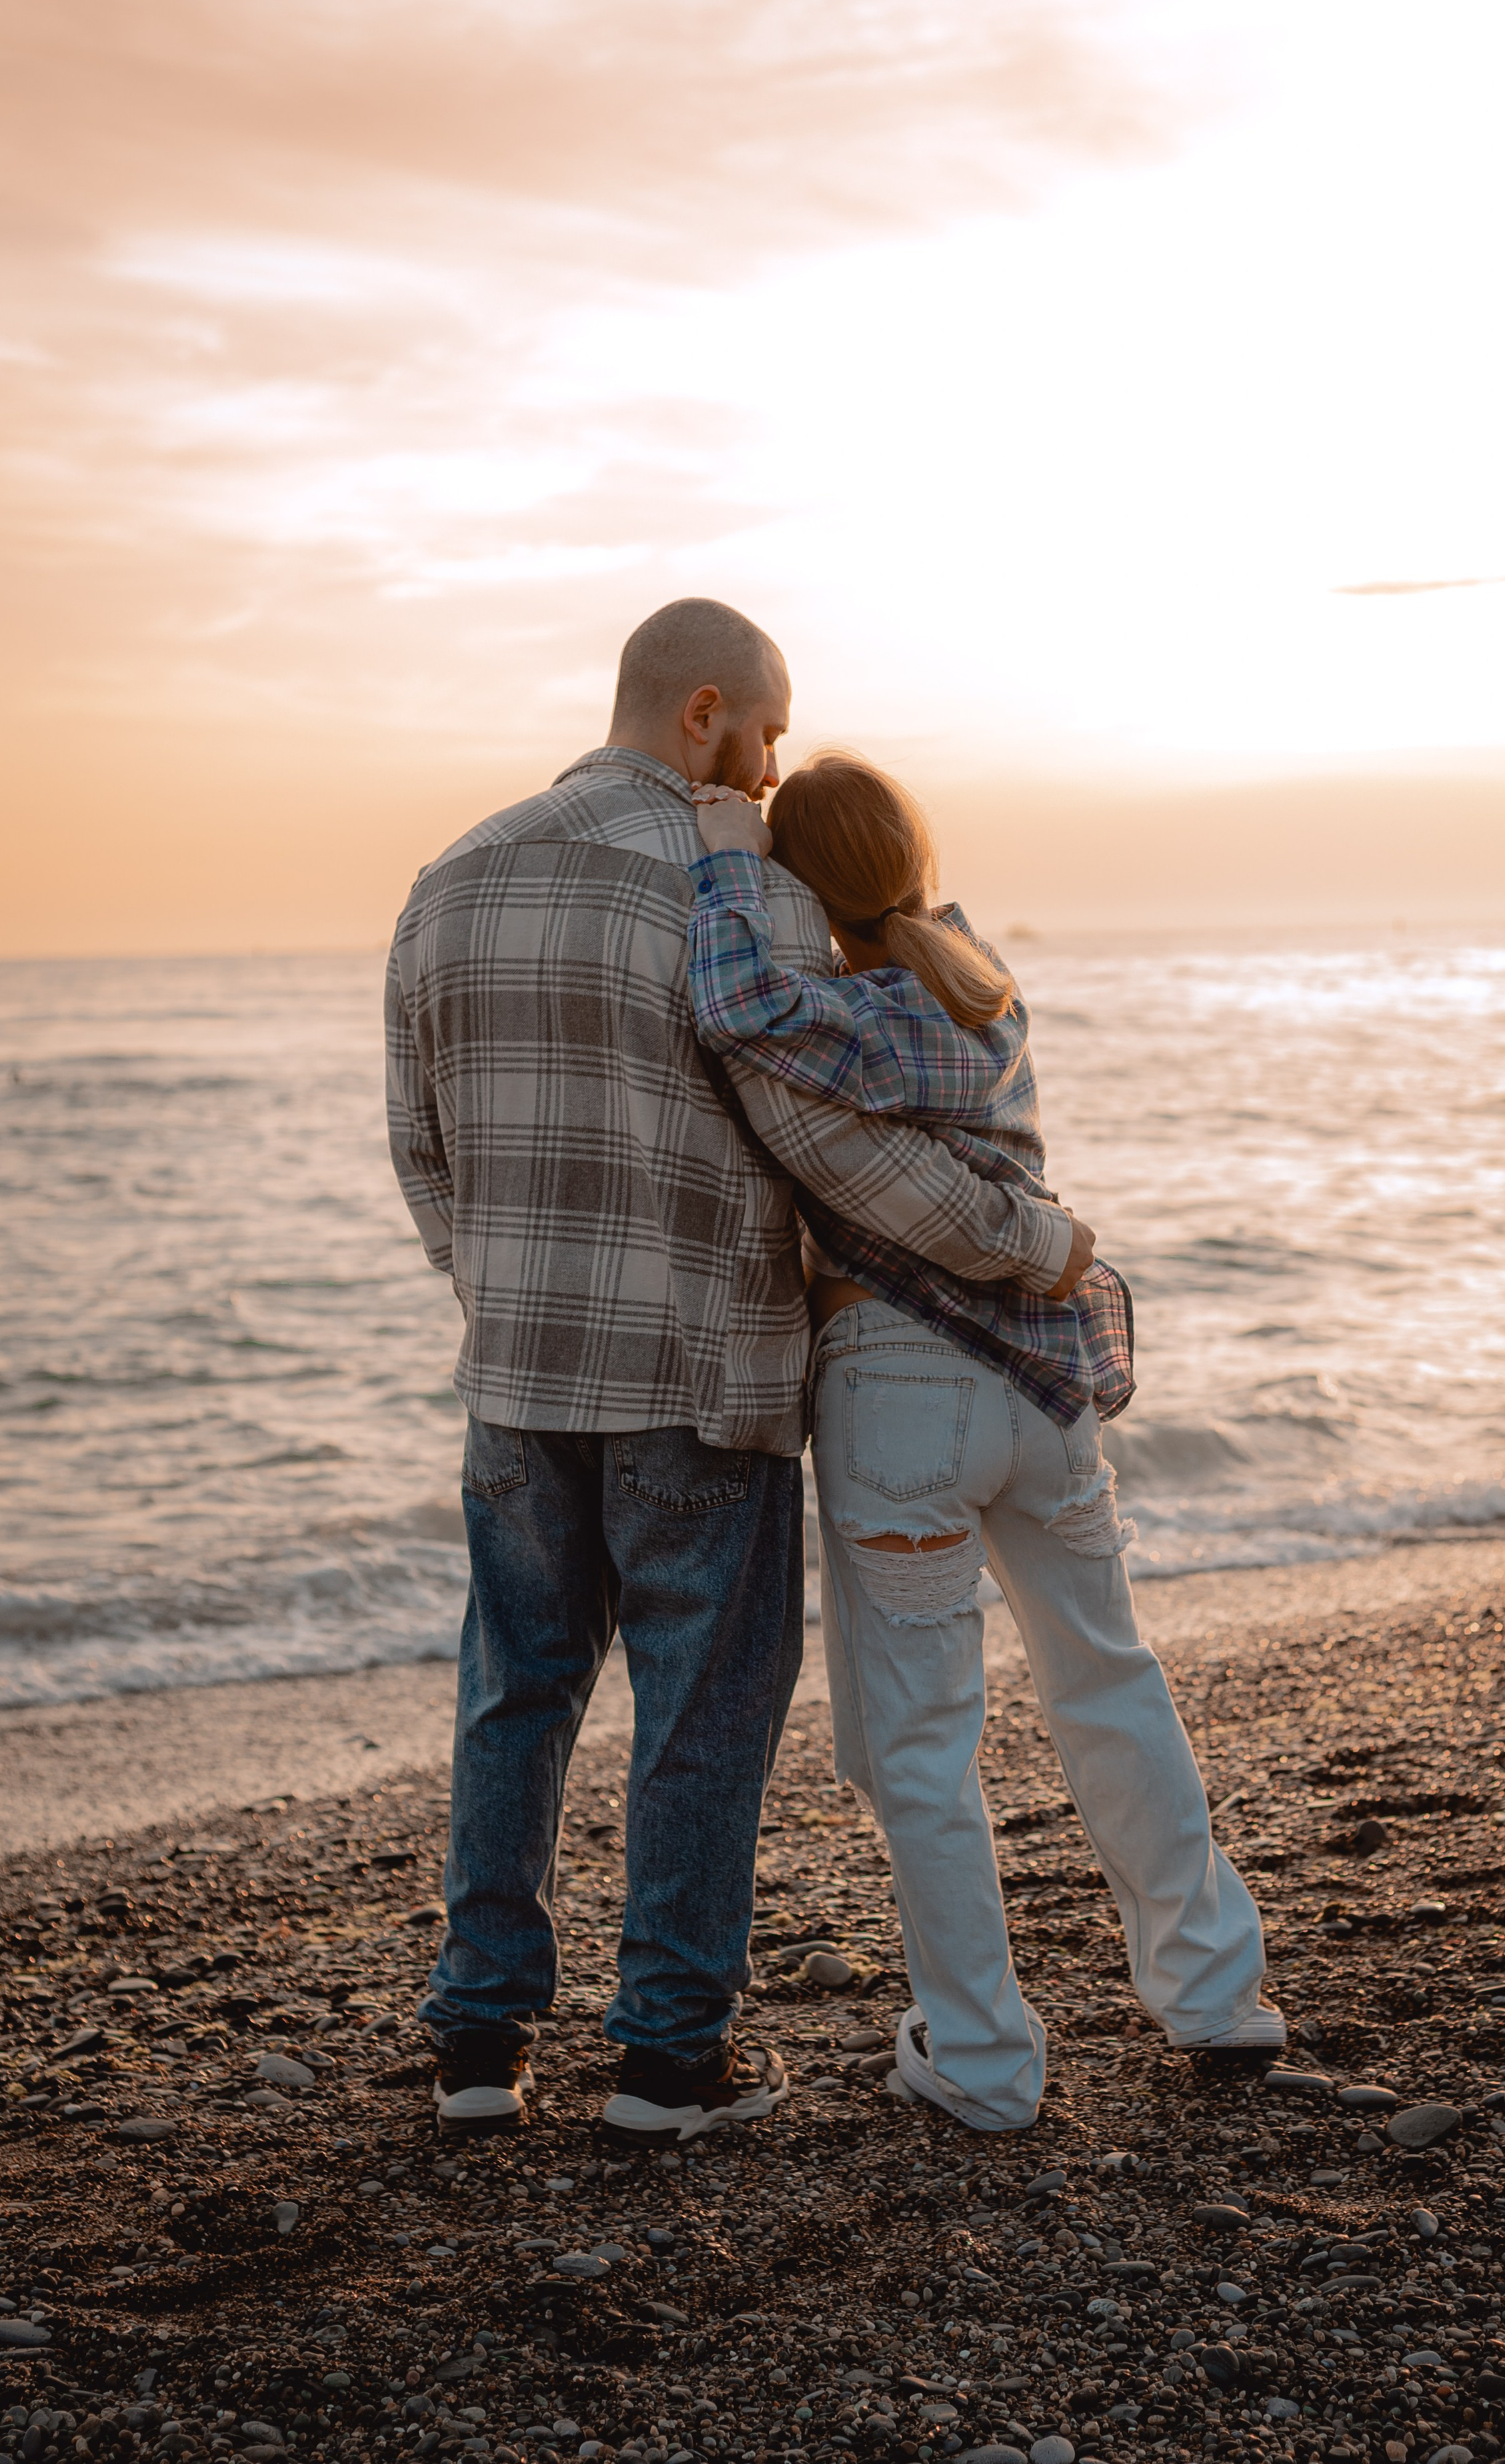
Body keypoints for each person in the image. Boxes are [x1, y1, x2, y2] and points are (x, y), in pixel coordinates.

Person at [385, 601, 1094, 2142]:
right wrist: (1026, 1243)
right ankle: (662, 2065)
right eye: (769, 736)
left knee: (515, 1692)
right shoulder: (737, 889)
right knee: (702, 1710)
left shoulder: (449, 878)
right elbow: (821, 1141)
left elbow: (422, 1157)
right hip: (697, 1376)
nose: (775, 774)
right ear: (704, 713)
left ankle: (477, 2051)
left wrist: (506, 1294)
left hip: (515, 1373)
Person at [684, 749, 1283, 2132]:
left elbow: (731, 1008)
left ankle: (982, 2058)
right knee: (1108, 1682)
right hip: (1043, 1392)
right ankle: (1214, 1993)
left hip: (901, 1387)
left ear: (801, 890)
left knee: (921, 1744)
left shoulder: (851, 1015)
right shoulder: (977, 987)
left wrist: (723, 861)